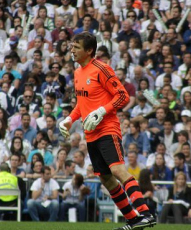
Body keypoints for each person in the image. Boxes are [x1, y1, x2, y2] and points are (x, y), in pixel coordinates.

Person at [59, 32, 155, 229]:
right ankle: (133, 219)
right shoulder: (78, 73)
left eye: (76, 47)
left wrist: (102, 111)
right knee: (105, 178)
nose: (72, 50)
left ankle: (145, 213)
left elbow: (123, 96)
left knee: (117, 169)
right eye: (72, 46)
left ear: (89, 50)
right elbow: (82, 103)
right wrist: (69, 119)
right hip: (90, 133)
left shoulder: (102, 69)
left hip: (107, 129)